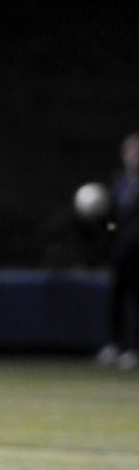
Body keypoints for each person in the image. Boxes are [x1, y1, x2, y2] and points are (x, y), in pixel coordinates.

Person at [95, 132, 139, 370]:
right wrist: (111, 233)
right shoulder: (119, 183)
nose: (135, 158)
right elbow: (112, 220)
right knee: (116, 300)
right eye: (131, 153)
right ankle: (113, 345)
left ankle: (134, 349)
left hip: (138, 253)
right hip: (119, 252)